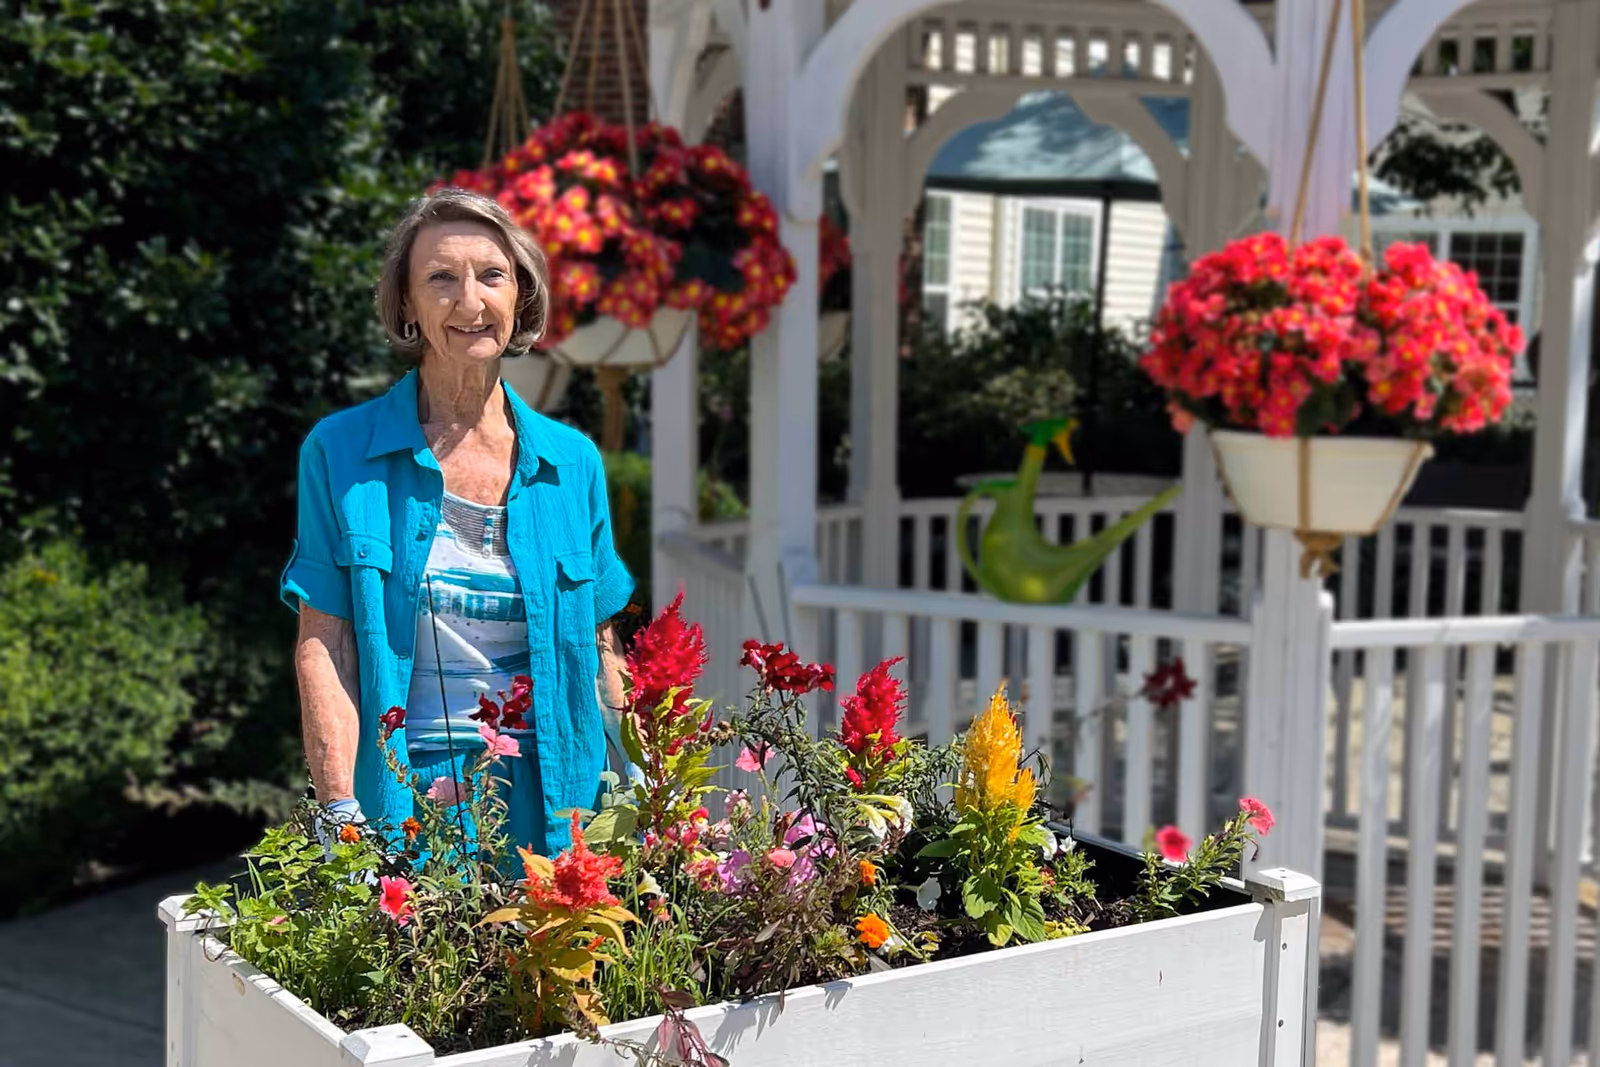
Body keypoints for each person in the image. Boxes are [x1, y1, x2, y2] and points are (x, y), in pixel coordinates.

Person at [282, 187, 633, 858]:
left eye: (492, 276)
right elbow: (327, 647)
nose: (471, 301)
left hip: (560, 811)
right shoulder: (341, 452)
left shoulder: (572, 464)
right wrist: (340, 815)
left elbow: (599, 649)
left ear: (519, 297)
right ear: (408, 306)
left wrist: (647, 779)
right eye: (441, 278)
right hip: (411, 809)